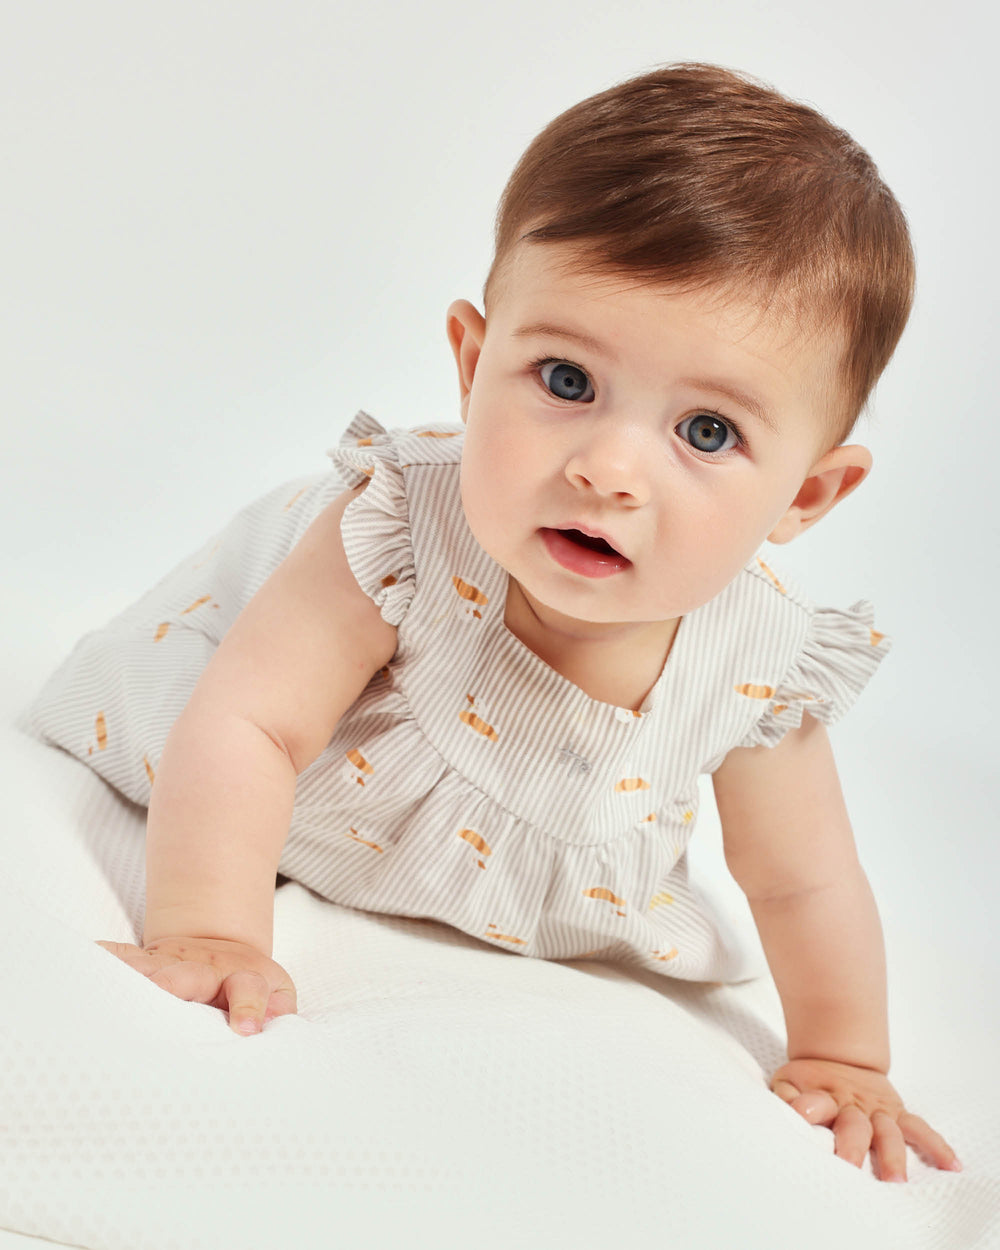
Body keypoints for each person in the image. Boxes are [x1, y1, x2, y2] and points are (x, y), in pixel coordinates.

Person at [31, 62, 959, 1182]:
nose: (608, 469)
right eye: (565, 378)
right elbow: (251, 724)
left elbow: (801, 880)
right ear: (473, 366)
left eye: (706, 432)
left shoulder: (759, 658)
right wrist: (214, 930)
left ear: (806, 495)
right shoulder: (402, 528)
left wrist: (844, 1055)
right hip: (262, 767)